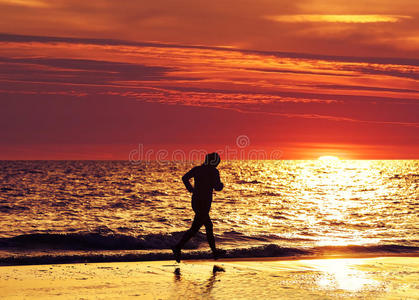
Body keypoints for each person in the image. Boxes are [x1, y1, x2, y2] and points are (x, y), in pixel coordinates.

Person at [172, 152, 225, 262]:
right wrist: (221, 186)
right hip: (204, 203)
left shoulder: (198, 169)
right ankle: (178, 247)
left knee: (201, 228)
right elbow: (217, 187)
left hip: (196, 201)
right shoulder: (214, 172)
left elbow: (184, 178)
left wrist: (191, 189)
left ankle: (214, 252)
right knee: (202, 227)